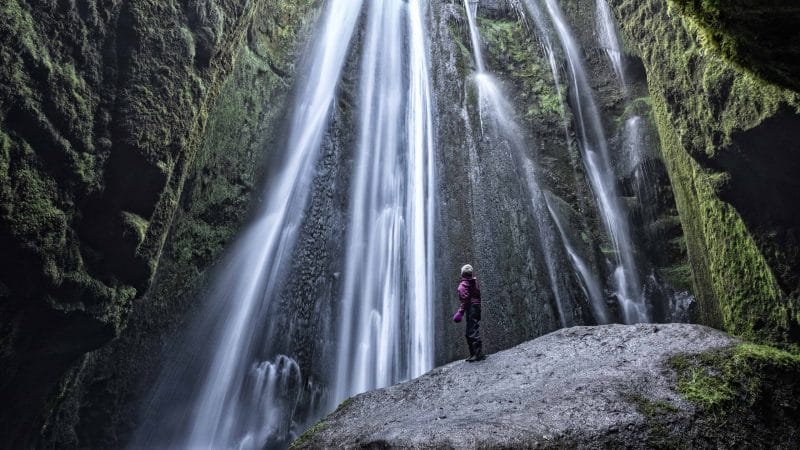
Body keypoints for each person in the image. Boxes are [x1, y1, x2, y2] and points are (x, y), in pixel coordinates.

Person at [452, 264, 484, 362]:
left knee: (472, 331)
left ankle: (477, 354)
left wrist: (460, 312)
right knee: (471, 330)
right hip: (476, 307)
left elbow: (464, 300)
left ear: (462, 274)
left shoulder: (463, 286)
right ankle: (474, 354)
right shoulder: (475, 282)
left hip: (471, 308)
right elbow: (478, 295)